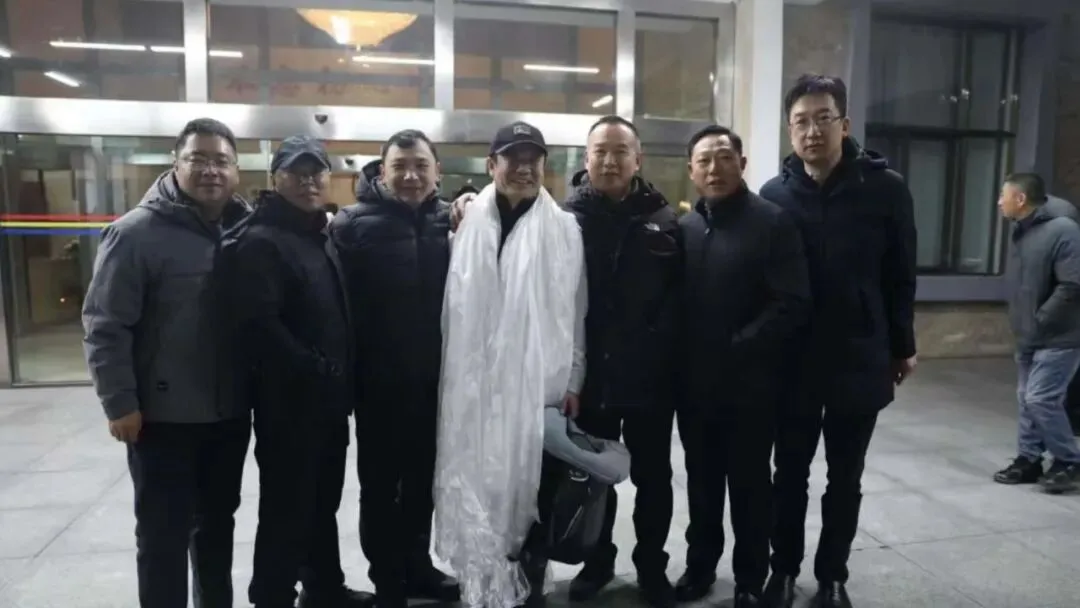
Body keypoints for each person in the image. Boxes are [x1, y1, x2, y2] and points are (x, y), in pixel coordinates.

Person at [761, 74, 917, 608]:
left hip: (859, 356)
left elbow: (901, 274)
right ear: (790, 130)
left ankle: (832, 576)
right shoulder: (775, 194)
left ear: (844, 124)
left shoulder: (886, 188)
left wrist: (902, 344)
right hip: (794, 362)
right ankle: (783, 571)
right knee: (789, 475)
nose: (812, 131)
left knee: (845, 478)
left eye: (822, 118)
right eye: (800, 121)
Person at [82, 118, 252, 608]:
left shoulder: (245, 229)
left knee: (217, 527)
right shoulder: (134, 234)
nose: (210, 170)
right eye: (198, 159)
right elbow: (105, 325)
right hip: (162, 419)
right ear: (176, 164)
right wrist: (119, 403)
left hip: (228, 414)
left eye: (221, 160)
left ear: (235, 170)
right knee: (162, 535)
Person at [433, 121, 587, 608]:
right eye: (512, 158)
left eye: (532, 159)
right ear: (491, 164)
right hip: (473, 382)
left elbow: (576, 308)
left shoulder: (564, 230)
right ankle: (483, 580)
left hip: (537, 380)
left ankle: (529, 580)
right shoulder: (464, 224)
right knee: (479, 478)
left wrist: (574, 377)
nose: (524, 168)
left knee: (532, 486)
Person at [223, 136, 373, 608]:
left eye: (316, 173)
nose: (308, 182)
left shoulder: (317, 233)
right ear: (275, 179)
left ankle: (323, 587)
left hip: (328, 401)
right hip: (289, 406)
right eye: (296, 173)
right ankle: (271, 595)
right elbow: (259, 325)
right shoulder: (259, 240)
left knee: (321, 502)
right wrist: (316, 369)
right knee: (287, 509)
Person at [676, 125, 811, 607]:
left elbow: (791, 301)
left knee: (750, 487)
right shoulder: (686, 228)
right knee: (702, 484)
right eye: (704, 161)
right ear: (691, 170)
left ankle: (750, 580)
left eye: (724, 157)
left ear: (742, 163)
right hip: (695, 388)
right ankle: (700, 567)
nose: (715, 169)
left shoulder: (772, 222)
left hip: (751, 385)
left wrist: (736, 346)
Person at [330, 129, 460, 607]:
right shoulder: (350, 225)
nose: (410, 176)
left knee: (424, 483)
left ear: (437, 172)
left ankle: (418, 567)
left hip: (437, 384)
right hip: (378, 386)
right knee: (381, 488)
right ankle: (388, 580)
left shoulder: (452, 220)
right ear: (381, 172)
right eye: (399, 166)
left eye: (420, 166)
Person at [558, 115, 681, 608]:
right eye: (601, 151)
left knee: (654, 477)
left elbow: (680, 295)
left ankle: (652, 566)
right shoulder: (565, 219)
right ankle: (598, 560)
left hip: (650, 378)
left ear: (638, 158)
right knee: (595, 476)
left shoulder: (664, 217)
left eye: (620, 151)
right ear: (587, 158)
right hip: (593, 377)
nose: (610, 161)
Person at [991, 173, 1080, 493]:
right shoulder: (1023, 229)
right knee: (1025, 399)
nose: (998, 202)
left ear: (1021, 199)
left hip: (1060, 335)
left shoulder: (1064, 230)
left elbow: (1072, 284)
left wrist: (1040, 319)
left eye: (1003, 196)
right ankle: (1028, 460)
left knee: (1041, 398)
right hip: (1029, 333)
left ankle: (1069, 460)